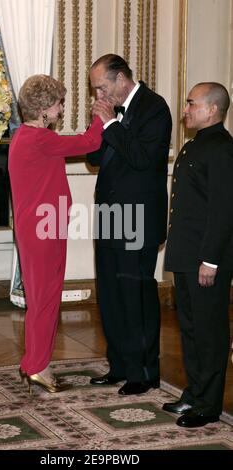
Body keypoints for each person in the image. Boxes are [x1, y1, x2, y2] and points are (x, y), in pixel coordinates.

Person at [8, 74, 103, 393]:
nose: (61, 110)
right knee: (45, 300)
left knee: (41, 299)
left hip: (39, 228)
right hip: (43, 230)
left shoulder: (25, 136)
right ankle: (36, 365)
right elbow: (89, 143)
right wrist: (99, 119)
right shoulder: (38, 139)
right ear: (45, 108)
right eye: (59, 103)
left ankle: (36, 363)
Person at [87, 54, 172, 395]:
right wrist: (100, 125)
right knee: (109, 293)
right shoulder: (111, 111)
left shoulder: (155, 107)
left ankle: (145, 372)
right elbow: (95, 158)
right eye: (95, 90)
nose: (99, 96)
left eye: (102, 88)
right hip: (109, 215)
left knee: (135, 295)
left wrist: (110, 124)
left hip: (138, 218)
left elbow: (142, 159)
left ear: (122, 78)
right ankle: (120, 365)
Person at [162, 82, 233, 427]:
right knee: (190, 329)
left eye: (191, 104)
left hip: (206, 260)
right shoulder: (197, 145)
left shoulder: (221, 149)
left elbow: (223, 211)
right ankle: (195, 393)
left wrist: (211, 259)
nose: (185, 110)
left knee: (210, 332)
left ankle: (209, 406)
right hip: (187, 255)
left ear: (212, 110)